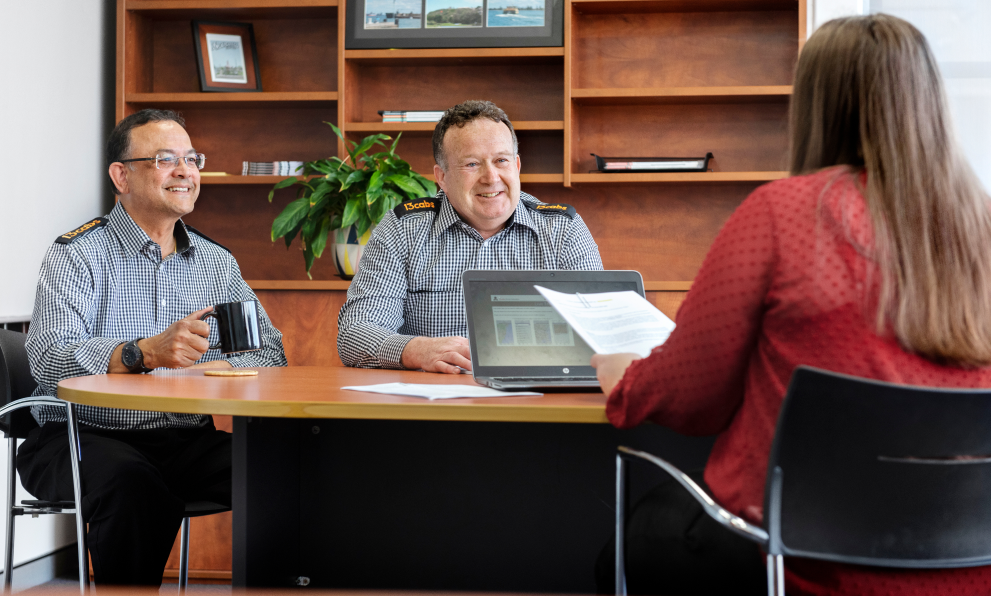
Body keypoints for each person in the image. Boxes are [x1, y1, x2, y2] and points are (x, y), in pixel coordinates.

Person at [591, 14, 991, 596]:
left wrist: (623, 376)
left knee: (633, 541)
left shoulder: (782, 214)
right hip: (969, 565)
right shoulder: (981, 226)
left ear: (815, 106)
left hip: (799, 565)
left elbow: (690, 401)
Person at [18, 109, 288, 587]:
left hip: (185, 439)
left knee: (288, 471)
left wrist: (209, 369)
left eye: (192, 158)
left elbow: (269, 353)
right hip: (82, 437)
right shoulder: (77, 254)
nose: (186, 171)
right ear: (121, 175)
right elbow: (48, 355)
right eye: (166, 159)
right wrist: (140, 353)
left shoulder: (215, 263)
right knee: (132, 483)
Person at [337, 100, 603, 374]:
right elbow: (355, 333)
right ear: (441, 177)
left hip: (536, 402)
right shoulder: (403, 230)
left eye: (501, 160)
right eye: (472, 164)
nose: (491, 177)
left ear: (517, 165)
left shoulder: (563, 230)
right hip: (431, 404)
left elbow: (603, 333)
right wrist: (417, 350)